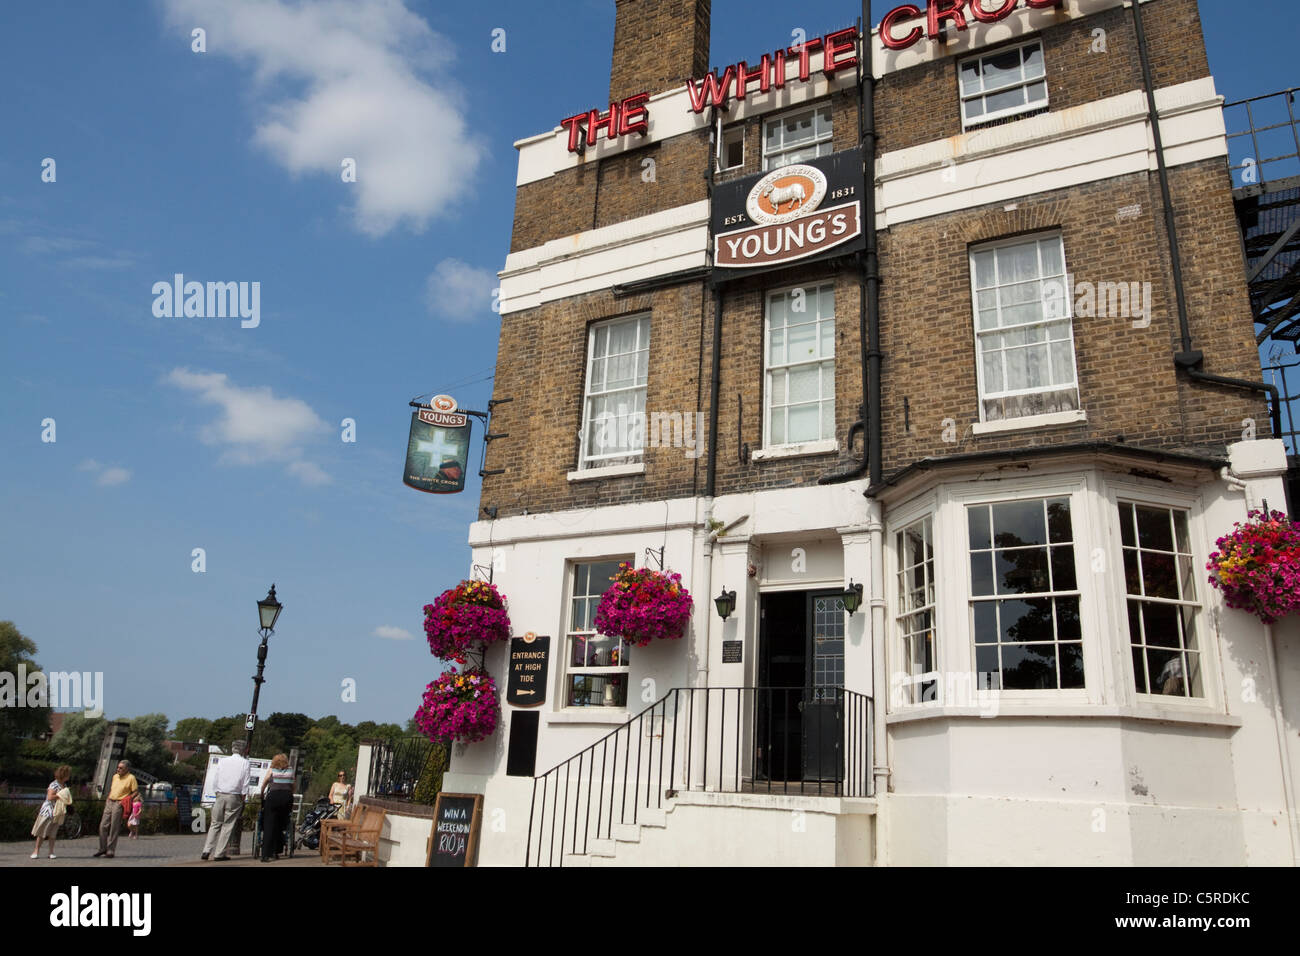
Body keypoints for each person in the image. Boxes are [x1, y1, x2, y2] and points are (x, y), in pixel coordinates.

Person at [201, 741, 251, 862]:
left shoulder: (223, 761)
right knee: (228, 825)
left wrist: (217, 792)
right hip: (234, 795)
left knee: (215, 823)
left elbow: (216, 778)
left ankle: (206, 850)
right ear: (244, 750)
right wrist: (243, 798)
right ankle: (219, 853)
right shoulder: (245, 763)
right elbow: (245, 782)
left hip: (220, 794)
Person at [94, 760, 137, 859]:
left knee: (114, 827)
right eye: (118, 767)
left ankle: (110, 850)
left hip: (119, 802)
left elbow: (135, 791)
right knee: (103, 826)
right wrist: (108, 798)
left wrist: (128, 798)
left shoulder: (131, 778)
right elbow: (112, 788)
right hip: (110, 801)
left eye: (121, 768)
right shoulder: (115, 776)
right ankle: (102, 848)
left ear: (127, 769)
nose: (118, 769)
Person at [30, 765, 73, 860]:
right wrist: (60, 795)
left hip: (58, 812)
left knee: (53, 833)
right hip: (48, 812)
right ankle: (36, 850)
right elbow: (50, 797)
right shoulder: (54, 784)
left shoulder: (64, 785)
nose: (69, 776)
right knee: (42, 832)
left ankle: (51, 851)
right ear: (64, 775)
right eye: (68, 774)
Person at [259, 754, 295, 862]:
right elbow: (293, 786)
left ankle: (265, 854)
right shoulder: (290, 770)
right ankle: (276, 850)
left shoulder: (272, 770)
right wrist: (289, 794)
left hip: (273, 797)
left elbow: (264, 783)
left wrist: (262, 795)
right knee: (280, 824)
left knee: (269, 825)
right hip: (286, 798)